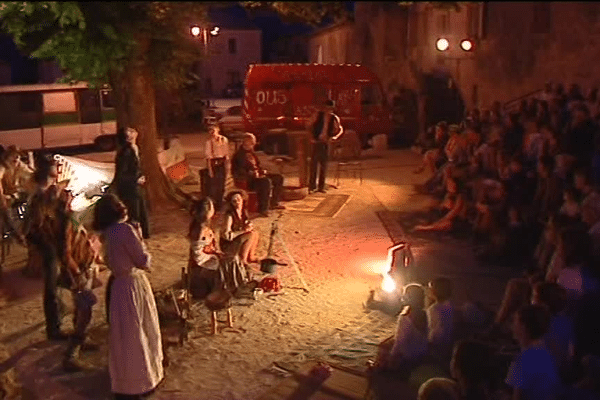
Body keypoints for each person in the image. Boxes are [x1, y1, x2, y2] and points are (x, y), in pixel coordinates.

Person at [93, 194, 163, 400]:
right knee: (138, 331)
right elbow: (143, 261)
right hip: (132, 284)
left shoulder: (108, 233)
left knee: (125, 335)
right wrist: (140, 238)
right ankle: (141, 382)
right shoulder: (125, 230)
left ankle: (126, 382)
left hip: (118, 286)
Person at [22, 155, 71, 341]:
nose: (58, 169)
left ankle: (59, 311)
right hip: (47, 244)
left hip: (48, 241)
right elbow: (36, 224)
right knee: (51, 285)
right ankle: (54, 328)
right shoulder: (41, 194)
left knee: (56, 282)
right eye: (54, 166)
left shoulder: (46, 191)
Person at [505, 304, 563, 400]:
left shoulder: (521, 361)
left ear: (523, 327)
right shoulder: (547, 353)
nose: (512, 326)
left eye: (515, 322)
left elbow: (517, 397)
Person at [372, 284, 429, 378]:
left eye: (405, 294)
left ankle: (380, 371)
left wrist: (391, 357)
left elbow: (400, 342)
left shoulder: (406, 318)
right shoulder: (425, 313)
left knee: (383, 346)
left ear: (410, 298)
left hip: (408, 356)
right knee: (389, 340)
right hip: (421, 352)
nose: (402, 296)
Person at [231, 133, 285, 217]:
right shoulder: (239, 155)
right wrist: (251, 173)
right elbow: (238, 171)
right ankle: (263, 209)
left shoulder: (251, 153)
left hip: (257, 176)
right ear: (246, 142)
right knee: (265, 182)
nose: (254, 144)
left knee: (278, 178)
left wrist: (261, 171)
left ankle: (274, 202)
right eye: (252, 142)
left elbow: (257, 165)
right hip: (248, 180)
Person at [112, 127, 150, 238]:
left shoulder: (133, 148)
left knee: (140, 208)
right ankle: (135, 234)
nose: (134, 132)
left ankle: (141, 233)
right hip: (129, 187)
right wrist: (135, 179)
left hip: (134, 185)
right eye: (130, 131)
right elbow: (122, 173)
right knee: (134, 211)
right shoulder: (126, 152)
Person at [187, 197, 222, 299]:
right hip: (202, 262)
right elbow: (197, 254)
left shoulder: (205, 225)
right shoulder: (199, 230)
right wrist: (212, 256)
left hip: (209, 255)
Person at [307, 99, 344, 193]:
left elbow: (340, 129)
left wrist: (335, 137)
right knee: (314, 165)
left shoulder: (334, 118)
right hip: (316, 141)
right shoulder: (317, 115)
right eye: (327, 108)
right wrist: (311, 137)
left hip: (326, 142)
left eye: (330, 109)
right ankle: (312, 186)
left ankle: (321, 186)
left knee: (324, 165)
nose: (328, 110)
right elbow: (309, 126)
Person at [220, 190, 259, 265]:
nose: (237, 202)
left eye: (238, 200)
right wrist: (243, 231)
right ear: (231, 203)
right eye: (234, 201)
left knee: (254, 233)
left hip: (237, 239)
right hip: (228, 244)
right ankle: (243, 260)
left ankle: (251, 256)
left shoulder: (243, 212)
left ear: (242, 200)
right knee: (249, 235)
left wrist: (249, 225)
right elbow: (227, 236)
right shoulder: (229, 216)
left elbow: (245, 224)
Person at [426, 277, 455, 366]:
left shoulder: (434, 309)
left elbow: (435, 330)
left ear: (434, 291)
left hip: (437, 347)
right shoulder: (449, 305)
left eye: (430, 288)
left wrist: (429, 343)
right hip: (448, 343)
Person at [204, 124, 230, 210]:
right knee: (214, 184)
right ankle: (214, 204)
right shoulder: (209, 142)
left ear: (217, 131)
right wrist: (210, 170)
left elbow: (226, 154)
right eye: (210, 132)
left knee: (222, 184)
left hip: (222, 162)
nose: (212, 134)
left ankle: (220, 202)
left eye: (213, 131)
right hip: (214, 163)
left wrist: (227, 166)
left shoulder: (224, 140)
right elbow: (208, 158)